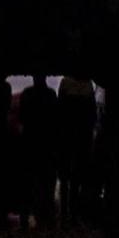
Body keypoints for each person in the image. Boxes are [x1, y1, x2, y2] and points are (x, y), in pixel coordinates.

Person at [18, 74, 60, 225]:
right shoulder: (51, 95)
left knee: (27, 181)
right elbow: (56, 120)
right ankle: (45, 216)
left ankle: (24, 216)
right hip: (46, 144)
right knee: (46, 182)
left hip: (30, 142)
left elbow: (22, 118)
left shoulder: (27, 94)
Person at [57, 75, 97, 223]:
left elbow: (59, 112)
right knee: (77, 178)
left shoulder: (65, 83)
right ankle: (74, 212)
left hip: (67, 136)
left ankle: (64, 212)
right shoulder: (88, 85)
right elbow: (92, 115)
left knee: (65, 177)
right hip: (82, 137)